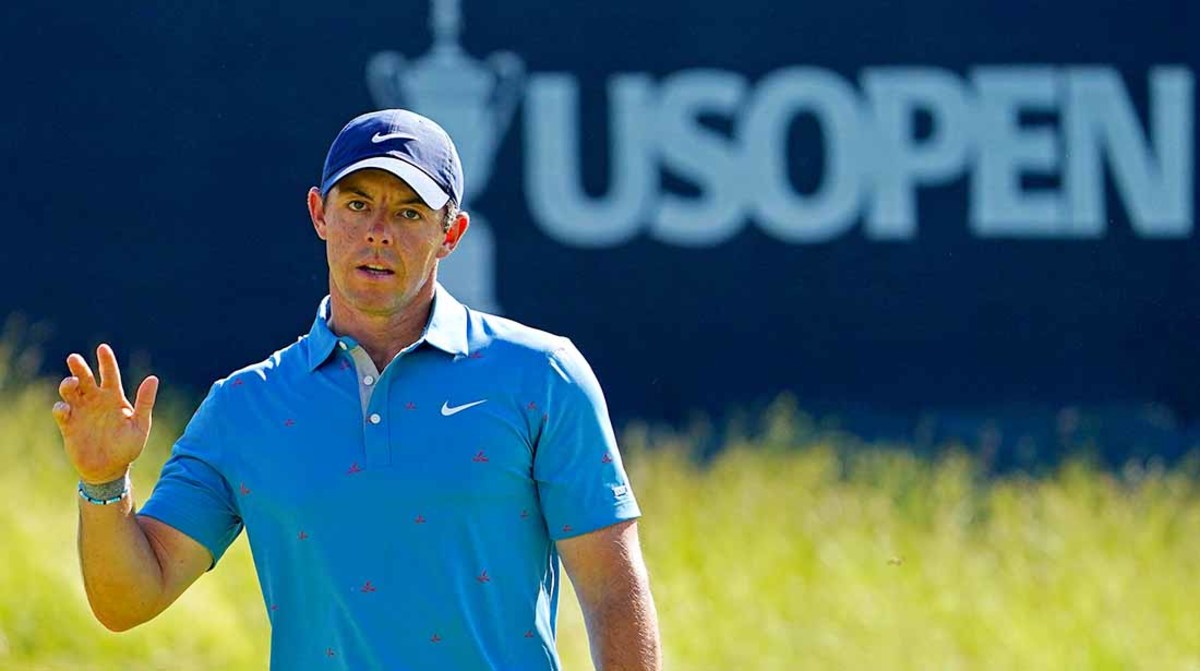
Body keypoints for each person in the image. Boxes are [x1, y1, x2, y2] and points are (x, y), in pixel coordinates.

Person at [52, 108, 662, 670]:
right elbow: (130, 599)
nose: (378, 233)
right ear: (319, 212)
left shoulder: (542, 375)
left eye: (409, 213)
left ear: (451, 234)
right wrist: (104, 482)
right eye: (357, 204)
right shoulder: (244, 408)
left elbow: (612, 591)